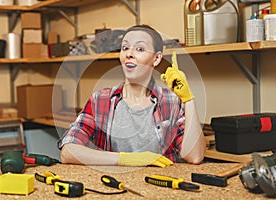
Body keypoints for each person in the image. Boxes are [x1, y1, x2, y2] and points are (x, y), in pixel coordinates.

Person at [58, 24, 206, 167]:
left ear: (156, 58)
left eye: (140, 49)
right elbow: (68, 151)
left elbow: (194, 156)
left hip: (162, 187)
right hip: (115, 186)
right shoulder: (101, 100)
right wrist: (124, 159)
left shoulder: (171, 101)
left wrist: (188, 99)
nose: (129, 54)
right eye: (125, 47)